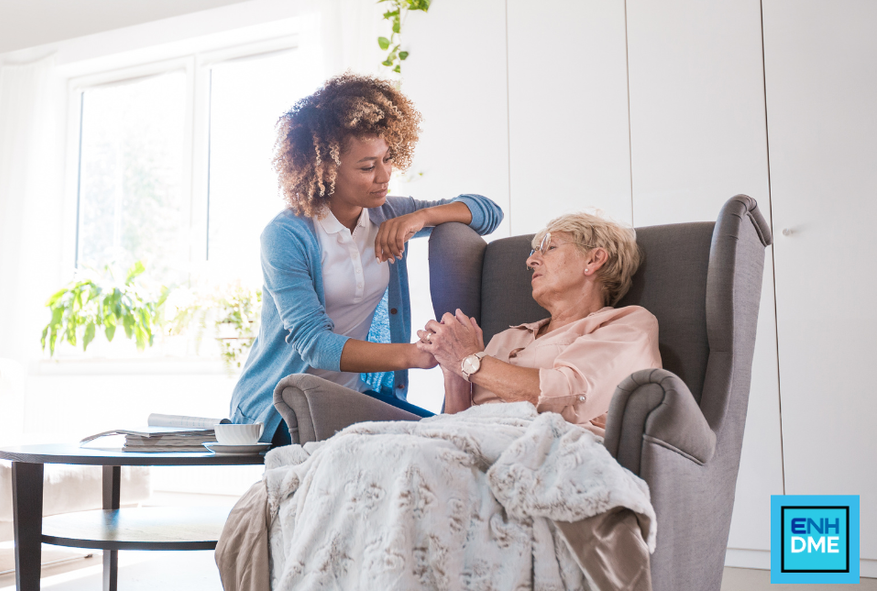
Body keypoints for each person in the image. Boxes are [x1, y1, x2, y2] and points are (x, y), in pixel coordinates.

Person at [228, 73, 504, 445]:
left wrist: (420, 217)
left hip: (352, 400)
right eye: (367, 166)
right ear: (324, 170)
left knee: (445, 439)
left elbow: (489, 212)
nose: (385, 175)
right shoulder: (286, 235)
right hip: (283, 408)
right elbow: (314, 343)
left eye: (388, 159)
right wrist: (414, 355)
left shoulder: (387, 213)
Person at [418, 211, 661, 436]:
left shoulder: (627, 326)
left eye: (549, 247)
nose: (531, 260)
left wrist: (467, 359)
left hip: (555, 450)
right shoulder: (506, 339)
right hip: (475, 447)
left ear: (594, 259)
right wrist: (453, 371)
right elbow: (454, 427)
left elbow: (565, 397)